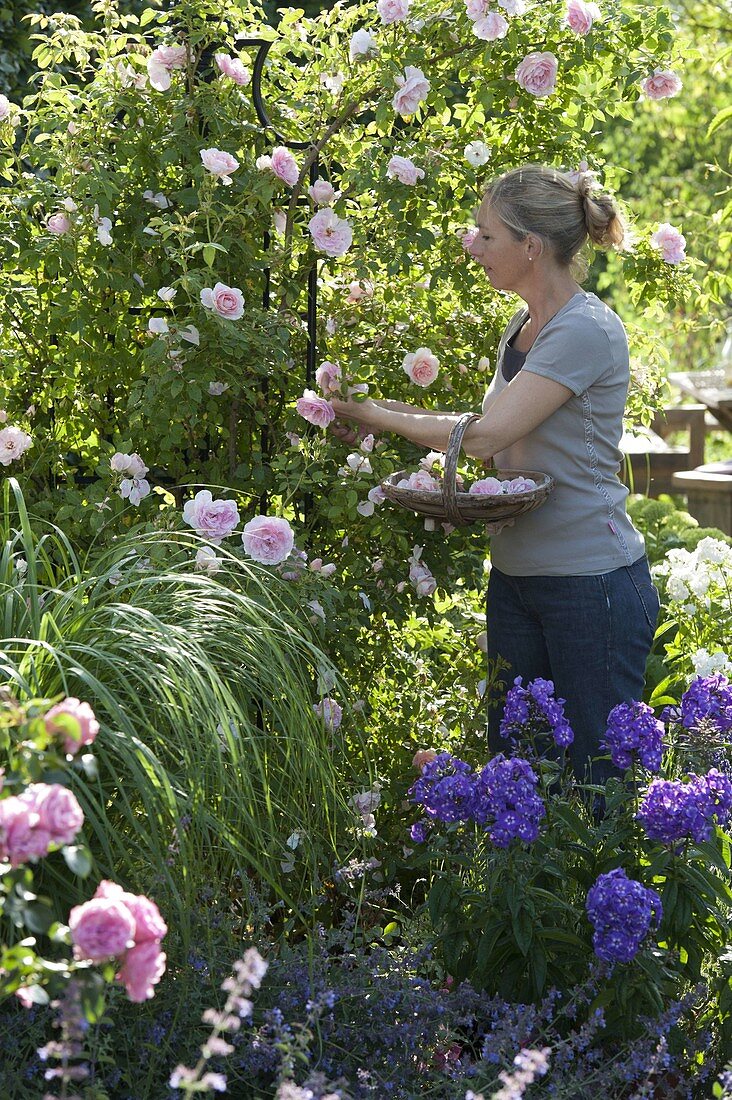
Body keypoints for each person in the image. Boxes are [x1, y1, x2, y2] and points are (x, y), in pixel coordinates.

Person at [330, 164, 660, 784]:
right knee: (520, 780)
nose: (472, 246)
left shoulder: (584, 330)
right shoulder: (523, 326)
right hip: (518, 578)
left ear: (530, 247)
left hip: (591, 585)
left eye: (485, 236)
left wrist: (387, 418)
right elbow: (489, 433)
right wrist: (385, 416)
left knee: (597, 785)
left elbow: (483, 437)